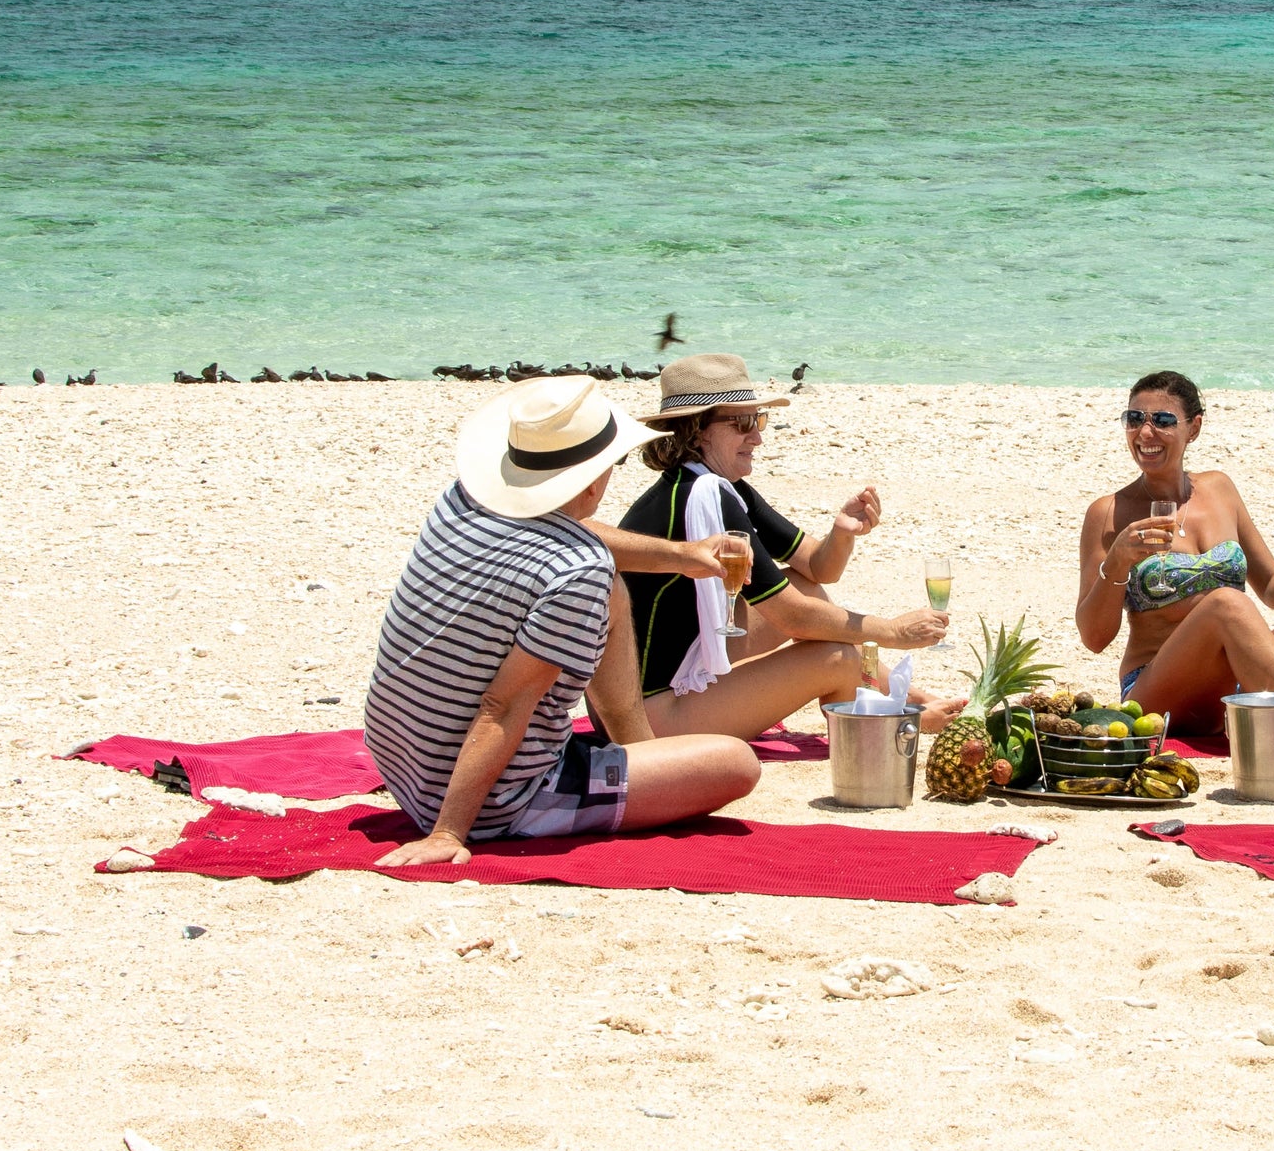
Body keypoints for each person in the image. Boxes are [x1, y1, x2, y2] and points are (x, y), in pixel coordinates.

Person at [364, 375, 763, 867]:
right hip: (496, 800)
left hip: (401, 757)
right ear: (595, 479)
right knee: (735, 764)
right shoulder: (575, 573)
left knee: (614, 590)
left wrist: (682, 555)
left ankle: (637, 748)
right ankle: (630, 770)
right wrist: (449, 832)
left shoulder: (465, 498)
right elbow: (502, 706)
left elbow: (571, 528)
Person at [616, 351, 954, 740]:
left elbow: (817, 570)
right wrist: (892, 631)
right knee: (837, 659)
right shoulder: (706, 494)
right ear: (697, 430)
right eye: (743, 422)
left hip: (653, 686)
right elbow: (790, 617)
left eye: (759, 419)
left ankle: (905, 696)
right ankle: (884, 724)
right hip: (649, 716)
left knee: (805, 590)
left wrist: (842, 533)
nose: (757, 436)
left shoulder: (712, 484)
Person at [1074, 370, 1274, 734]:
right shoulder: (1108, 513)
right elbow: (1094, 638)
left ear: (1193, 428)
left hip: (1239, 681)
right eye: (1134, 419)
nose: (1145, 433)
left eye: (1162, 420)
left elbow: (1272, 583)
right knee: (1226, 603)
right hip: (1158, 691)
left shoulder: (1219, 489)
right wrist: (1117, 561)